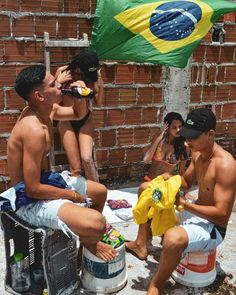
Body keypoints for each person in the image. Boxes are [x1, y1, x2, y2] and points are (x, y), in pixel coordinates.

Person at [7, 65, 117, 261]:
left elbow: (77, 114)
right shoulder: (33, 130)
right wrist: (72, 195)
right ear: (39, 96)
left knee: (99, 192)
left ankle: (88, 241)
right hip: (27, 200)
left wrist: (79, 95)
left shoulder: (47, 110)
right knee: (97, 224)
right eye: (53, 83)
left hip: (45, 181)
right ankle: (90, 237)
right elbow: (32, 189)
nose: (60, 84)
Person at [133, 108, 236, 295]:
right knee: (146, 190)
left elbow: (221, 215)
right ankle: (141, 243)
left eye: (193, 138)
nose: (187, 143)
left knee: (172, 239)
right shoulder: (198, 153)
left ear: (210, 134)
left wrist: (182, 203)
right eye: (187, 137)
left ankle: (156, 284)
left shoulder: (226, 165)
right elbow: (187, 182)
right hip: (195, 208)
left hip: (213, 227)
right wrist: (169, 180)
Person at [55, 50, 104, 182]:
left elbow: (99, 103)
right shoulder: (62, 72)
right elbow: (52, 99)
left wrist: (99, 81)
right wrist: (58, 83)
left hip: (85, 120)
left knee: (87, 159)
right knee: (75, 167)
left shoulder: (92, 76)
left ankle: (97, 194)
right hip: (67, 122)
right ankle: (80, 197)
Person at [143, 112, 189, 181]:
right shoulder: (158, 139)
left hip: (167, 185)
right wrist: (159, 138)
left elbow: (181, 172)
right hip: (151, 181)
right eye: (174, 127)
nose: (178, 130)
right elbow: (146, 160)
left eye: (180, 127)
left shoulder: (183, 145)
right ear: (167, 127)